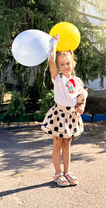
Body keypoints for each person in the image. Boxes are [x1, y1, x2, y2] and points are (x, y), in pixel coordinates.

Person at [41, 34, 88, 187]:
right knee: (57, 143)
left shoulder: (77, 81)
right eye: (62, 64)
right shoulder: (58, 78)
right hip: (59, 115)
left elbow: (82, 96)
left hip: (72, 115)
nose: (65, 66)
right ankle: (57, 174)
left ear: (72, 64)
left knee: (67, 144)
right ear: (58, 67)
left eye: (68, 63)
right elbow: (51, 62)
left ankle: (67, 172)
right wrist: (54, 44)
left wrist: (81, 106)